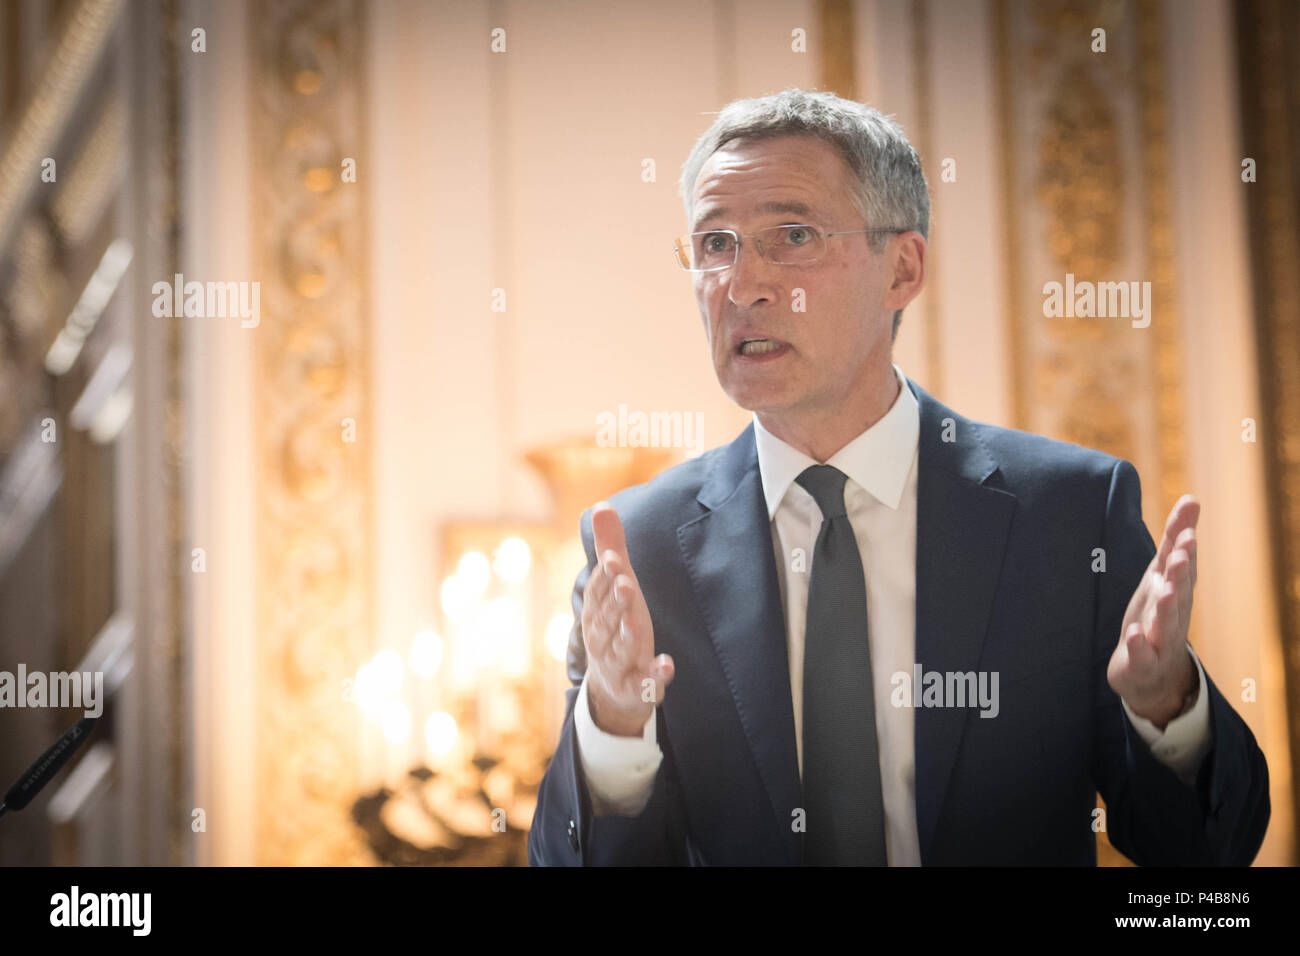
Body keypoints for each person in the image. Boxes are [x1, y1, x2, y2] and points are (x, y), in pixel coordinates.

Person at [526, 88, 1269, 865]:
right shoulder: (640, 548)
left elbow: (1209, 855)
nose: (742, 284)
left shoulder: (1067, 516)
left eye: (792, 235)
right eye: (715, 244)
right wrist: (614, 724)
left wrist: (1166, 706)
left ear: (903, 269)